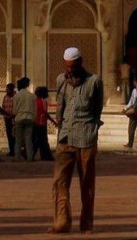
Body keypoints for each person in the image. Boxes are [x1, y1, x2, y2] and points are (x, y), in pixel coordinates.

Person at [51, 46, 103, 235]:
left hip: (86, 136)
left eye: (73, 67)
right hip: (65, 135)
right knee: (59, 181)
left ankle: (86, 223)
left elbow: (97, 109)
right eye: (67, 67)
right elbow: (60, 106)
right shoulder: (61, 80)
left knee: (86, 183)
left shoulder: (94, 81)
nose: (70, 70)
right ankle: (62, 221)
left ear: (81, 63)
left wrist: (93, 129)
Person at [13, 77, 36, 161]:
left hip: (19, 117)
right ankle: (30, 157)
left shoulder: (16, 96)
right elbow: (34, 109)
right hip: (29, 117)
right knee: (28, 139)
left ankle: (17, 157)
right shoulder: (32, 96)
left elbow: (14, 110)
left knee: (18, 139)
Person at [33, 86, 56, 161]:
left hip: (35, 123)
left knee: (37, 140)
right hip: (41, 123)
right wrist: (53, 121)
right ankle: (46, 156)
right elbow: (45, 113)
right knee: (43, 141)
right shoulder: (43, 101)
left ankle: (29, 153)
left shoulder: (34, 100)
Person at [2, 82, 17, 157]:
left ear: (12, 89)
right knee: (9, 136)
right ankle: (11, 150)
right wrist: (5, 115)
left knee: (14, 135)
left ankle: (15, 150)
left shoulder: (16, 97)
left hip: (14, 119)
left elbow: (17, 108)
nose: (7, 90)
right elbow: (3, 107)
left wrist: (12, 116)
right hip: (7, 119)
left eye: (9, 89)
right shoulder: (5, 97)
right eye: (7, 89)